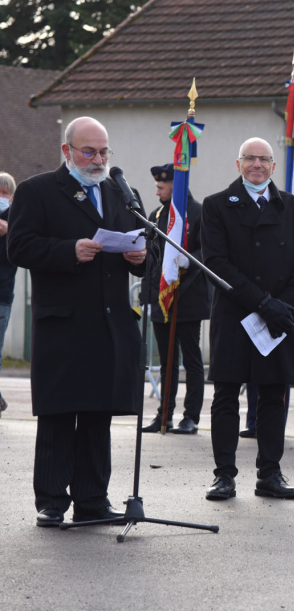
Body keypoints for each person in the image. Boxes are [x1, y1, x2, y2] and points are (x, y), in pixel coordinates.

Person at [6, 117, 147, 527]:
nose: (98, 159)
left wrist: (140, 257)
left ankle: (92, 499)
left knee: (98, 415)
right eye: (89, 152)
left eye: (104, 152)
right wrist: (69, 251)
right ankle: (52, 501)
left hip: (109, 324)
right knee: (59, 414)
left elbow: (145, 248)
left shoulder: (122, 192)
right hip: (63, 324)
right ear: (67, 151)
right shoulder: (37, 191)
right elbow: (19, 247)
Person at [201, 137, 294, 501]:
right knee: (226, 396)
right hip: (236, 316)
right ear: (238, 164)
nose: (256, 165)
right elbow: (216, 264)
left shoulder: (293, 208)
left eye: (263, 159)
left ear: (273, 166)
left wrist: (283, 305)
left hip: (279, 318)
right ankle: (224, 475)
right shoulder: (216, 205)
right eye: (249, 159)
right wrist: (263, 303)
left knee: (273, 395)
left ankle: (270, 473)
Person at [140, 163, 210, 435]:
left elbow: (207, 252)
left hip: (189, 297)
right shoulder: (157, 215)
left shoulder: (198, 212)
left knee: (191, 360)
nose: (157, 191)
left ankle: (190, 417)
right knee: (167, 360)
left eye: (161, 186)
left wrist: (186, 266)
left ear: (175, 185)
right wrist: (148, 296)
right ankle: (164, 415)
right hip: (162, 299)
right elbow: (151, 258)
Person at [0, 172, 17, 417]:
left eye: (5, 193)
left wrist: (8, 233)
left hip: (2, 295)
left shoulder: (15, 219)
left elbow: (18, 255)